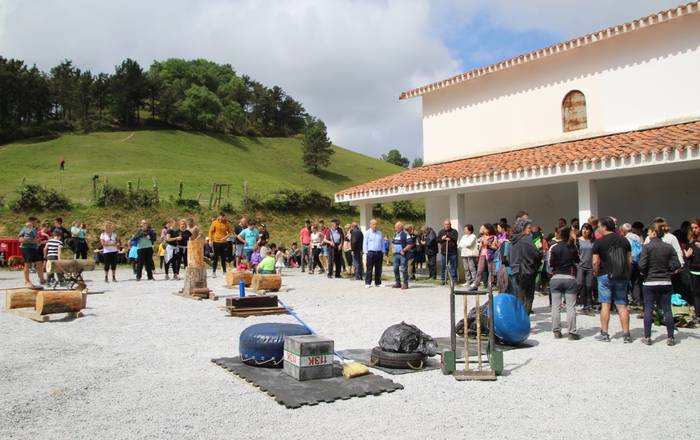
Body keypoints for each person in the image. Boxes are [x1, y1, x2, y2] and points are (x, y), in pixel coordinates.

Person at [638, 222, 681, 346]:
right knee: (667, 309)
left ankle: (647, 337)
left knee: (648, 309)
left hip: (650, 281)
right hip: (665, 281)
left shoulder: (647, 247)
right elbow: (677, 264)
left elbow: (641, 265)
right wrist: (668, 269)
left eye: (649, 231)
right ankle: (671, 337)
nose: (647, 233)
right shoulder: (668, 247)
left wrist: (644, 271)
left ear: (654, 233)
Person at [592, 216, 632, 343]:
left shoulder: (599, 242)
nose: (598, 228)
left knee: (605, 305)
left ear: (604, 227)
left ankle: (605, 333)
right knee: (622, 305)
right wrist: (627, 273)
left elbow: (595, 261)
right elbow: (629, 260)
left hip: (605, 275)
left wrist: (596, 273)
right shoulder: (624, 241)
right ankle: (626, 334)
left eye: (599, 226)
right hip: (621, 275)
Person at [548, 226, 580, 340]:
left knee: (556, 306)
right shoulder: (572, 247)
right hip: (569, 277)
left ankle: (556, 331)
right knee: (570, 306)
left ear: (560, 235)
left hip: (556, 278)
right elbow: (577, 260)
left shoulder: (554, 247)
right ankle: (572, 332)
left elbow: (550, 263)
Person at [509, 218, 541, 314]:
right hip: (526, 270)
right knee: (528, 297)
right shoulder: (527, 239)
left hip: (515, 270)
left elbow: (508, 256)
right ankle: (524, 319)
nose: (530, 230)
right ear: (522, 228)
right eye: (529, 228)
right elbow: (536, 254)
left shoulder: (513, 240)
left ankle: (519, 319)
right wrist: (539, 253)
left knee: (520, 296)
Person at [467, 223, 498, 291]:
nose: (484, 230)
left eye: (485, 229)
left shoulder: (494, 237)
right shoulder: (482, 237)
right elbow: (478, 245)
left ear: (489, 229)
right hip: (482, 255)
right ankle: (476, 285)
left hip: (490, 255)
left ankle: (490, 285)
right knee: (479, 270)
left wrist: (489, 244)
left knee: (491, 271)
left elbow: (496, 247)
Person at [621, 223, 643, 305]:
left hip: (628, 262)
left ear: (623, 231)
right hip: (637, 262)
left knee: (625, 281)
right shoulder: (637, 237)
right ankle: (637, 300)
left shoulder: (625, 239)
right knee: (636, 282)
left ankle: (625, 300)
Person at [576, 223, 595, 315]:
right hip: (580, 266)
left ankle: (587, 306)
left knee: (589, 286)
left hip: (590, 267)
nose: (585, 231)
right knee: (579, 284)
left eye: (587, 229)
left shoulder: (593, 241)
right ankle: (572, 301)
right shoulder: (577, 241)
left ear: (590, 231)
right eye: (583, 229)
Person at [18, 218, 44, 286]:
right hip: (26, 248)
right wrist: (32, 241)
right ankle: (27, 281)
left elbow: (37, 240)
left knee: (39, 263)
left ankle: (42, 279)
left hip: (34, 248)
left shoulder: (35, 230)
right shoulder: (24, 229)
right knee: (27, 264)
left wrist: (38, 241)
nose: (37, 224)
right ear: (31, 222)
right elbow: (20, 240)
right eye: (36, 222)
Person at [390, 222, 414, 289]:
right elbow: (392, 243)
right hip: (396, 255)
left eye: (396, 227)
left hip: (403, 255)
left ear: (400, 227)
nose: (395, 228)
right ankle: (398, 283)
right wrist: (392, 249)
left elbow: (410, 244)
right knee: (395, 269)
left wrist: (404, 250)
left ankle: (405, 284)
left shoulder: (406, 234)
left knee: (403, 269)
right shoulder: (395, 234)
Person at [208, 212, 232, 278]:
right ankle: (214, 271)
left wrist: (225, 238)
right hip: (216, 241)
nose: (221, 218)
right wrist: (210, 240)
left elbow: (230, 233)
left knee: (223, 257)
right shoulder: (214, 223)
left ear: (224, 217)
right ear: (219, 216)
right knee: (215, 257)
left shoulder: (227, 223)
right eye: (220, 217)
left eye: (223, 217)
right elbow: (210, 231)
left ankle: (224, 271)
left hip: (224, 242)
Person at [363, 219, 384, 288]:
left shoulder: (380, 233)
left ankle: (378, 283)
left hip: (379, 253)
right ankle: (367, 282)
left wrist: (382, 251)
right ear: (370, 225)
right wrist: (366, 253)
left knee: (378, 268)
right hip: (370, 253)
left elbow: (382, 243)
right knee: (369, 268)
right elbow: (365, 243)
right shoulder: (367, 233)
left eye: (376, 224)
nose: (375, 226)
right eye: (373, 224)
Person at [686, 218, 700, 323]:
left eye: (696, 227)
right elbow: (688, 255)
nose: (694, 230)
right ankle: (698, 314)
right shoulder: (692, 241)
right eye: (692, 228)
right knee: (695, 293)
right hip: (694, 270)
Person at [437, 220, 459, 285]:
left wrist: (450, 238)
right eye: (445, 224)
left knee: (453, 267)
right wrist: (442, 239)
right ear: (444, 225)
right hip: (444, 252)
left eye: (448, 224)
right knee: (443, 266)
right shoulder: (441, 231)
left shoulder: (454, 231)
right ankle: (443, 279)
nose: (447, 225)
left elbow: (455, 239)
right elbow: (438, 240)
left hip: (453, 252)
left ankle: (454, 280)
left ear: (450, 225)